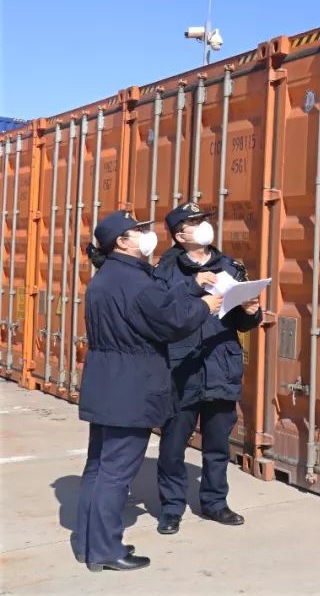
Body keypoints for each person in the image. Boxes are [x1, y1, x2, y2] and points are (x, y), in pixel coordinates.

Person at [74, 211, 222, 572]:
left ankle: (89, 542)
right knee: (116, 472)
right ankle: (106, 550)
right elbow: (170, 321)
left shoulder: (108, 277)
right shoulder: (134, 281)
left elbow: (156, 302)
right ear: (122, 242)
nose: (146, 234)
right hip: (131, 386)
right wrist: (204, 306)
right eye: (138, 230)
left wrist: (191, 287)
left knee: (98, 466)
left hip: (105, 382)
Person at [154, 203, 262, 535]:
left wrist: (251, 311)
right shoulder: (165, 270)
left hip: (220, 365)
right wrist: (192, 285)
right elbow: (158, 315)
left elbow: (242, 323)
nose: (203, 226)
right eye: (194, 222)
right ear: (179, 235)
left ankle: (215, 503)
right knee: (173, 445)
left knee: (217, 445)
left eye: (203, 220)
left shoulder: (229, 266)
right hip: (180, 370)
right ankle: (171, 508)